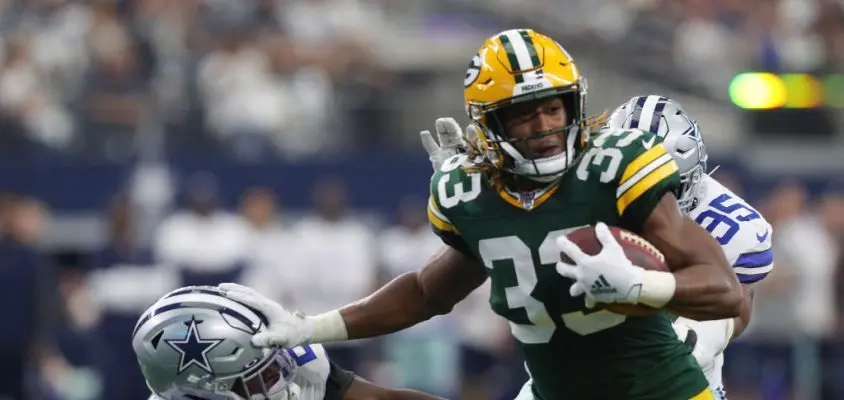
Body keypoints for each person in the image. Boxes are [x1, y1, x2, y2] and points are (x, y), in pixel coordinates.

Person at [220, 28, 742, 399]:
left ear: (574, 106)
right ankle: (330, 386)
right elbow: (427, 293)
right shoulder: (470, 195)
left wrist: (641, 287)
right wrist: (313, 327)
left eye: (552, 108)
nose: (542, 126)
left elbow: (726, 289)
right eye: (522, 114)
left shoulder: (616, 168)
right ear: (489, 125)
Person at [606, 95, 773, 399]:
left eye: (661, 185)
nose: (646, 196)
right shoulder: (579, 195)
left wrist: (697, 338)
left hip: (684, 375)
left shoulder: (733, 226)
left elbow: (739, 303)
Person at [133, 286, 444, 400]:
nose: (285, 379)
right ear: (207, 389)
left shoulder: (303, 369)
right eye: (264, 376)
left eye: (277, 364)